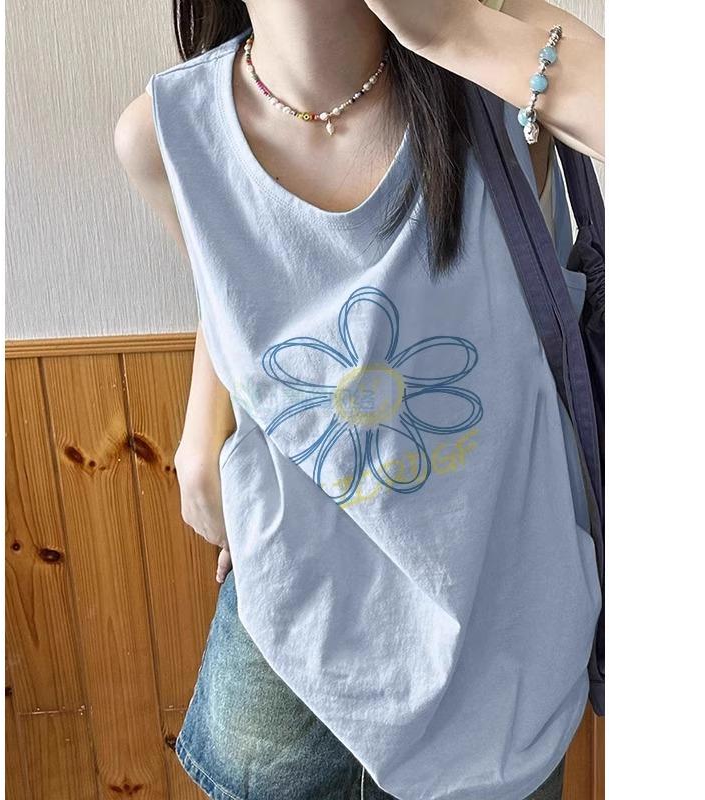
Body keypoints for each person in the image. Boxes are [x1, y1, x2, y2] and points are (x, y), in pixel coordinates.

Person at [116, 1, 604, 798]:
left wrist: (453, 32)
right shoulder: (161, 132)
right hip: (288, 647)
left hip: (500, 649)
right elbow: (232, 290)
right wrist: (202, 425)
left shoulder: (504, 66)